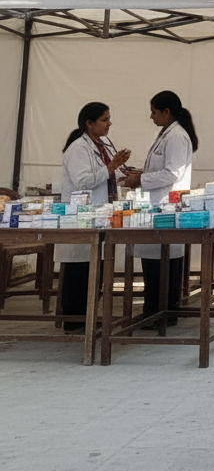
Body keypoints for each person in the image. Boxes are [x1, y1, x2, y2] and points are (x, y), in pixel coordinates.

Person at [120, 91, 196, 325]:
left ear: (166, 112)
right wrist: (140, 174)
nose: (151, 116)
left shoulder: (177, 136)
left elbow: (173, 173)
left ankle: (160, 314)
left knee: (162, 264)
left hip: (166, 206)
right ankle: (157, 312)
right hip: (159, 204)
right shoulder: (167, 133)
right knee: (157, 263)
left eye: (154, 112)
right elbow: (162, 169)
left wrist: (141, 180)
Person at [56, 103, 131, 332]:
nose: (109, 124)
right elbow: (82, 181)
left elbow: (104, 177)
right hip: (81, 216)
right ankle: (74, 321)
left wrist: (122, 174)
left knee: (95, 269)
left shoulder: (100, 146)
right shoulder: (78, 148)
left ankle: (88, 317)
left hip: (99, 215)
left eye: (109, 119)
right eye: (104, 120)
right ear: (89, 123)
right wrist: (111, 167)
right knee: (79, 271)